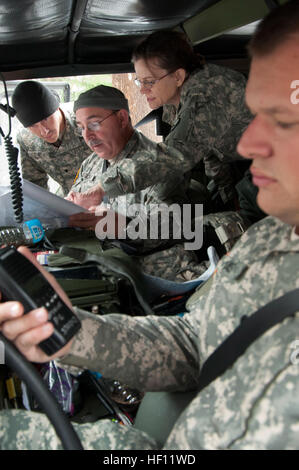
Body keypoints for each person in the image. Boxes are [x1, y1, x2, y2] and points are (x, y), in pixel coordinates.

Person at [1, 0, 299, 450]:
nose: (249, 141)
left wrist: (107, 223)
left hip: (151, 269)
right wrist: (73, 333)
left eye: (282, 120)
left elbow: (175, 219)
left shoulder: (155, 160)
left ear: (122, 119)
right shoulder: (274, 238)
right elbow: (197, 338)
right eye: (81, 128)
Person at [74, 29, 252, 217]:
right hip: (237, 171)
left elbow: (174, 154)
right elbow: (209, 152)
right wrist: (226, 198)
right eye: (139, 81)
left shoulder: (207, 94)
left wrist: (103, 187)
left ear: (178, 77)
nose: (143, 90)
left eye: (149, 82)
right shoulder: (176, 99)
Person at [66, 84, 189, 253]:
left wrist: (123, 226)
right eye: (81, 128)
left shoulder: (157, 165)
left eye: (94, 124)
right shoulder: (91, 162)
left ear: (122, 119)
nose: (87, 136)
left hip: (138, 267)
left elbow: (171, 228)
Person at [12, 81, 91, 195]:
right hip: (70, 200)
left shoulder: (86, 120)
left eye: (46, 119)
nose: (44, 130)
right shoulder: (26, 138)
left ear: (57, 108)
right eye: (33, 126)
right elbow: (35, 184)